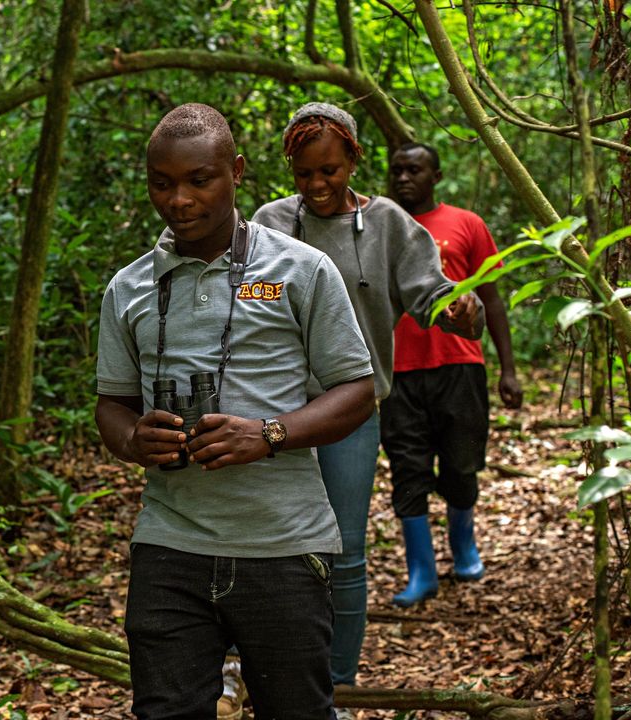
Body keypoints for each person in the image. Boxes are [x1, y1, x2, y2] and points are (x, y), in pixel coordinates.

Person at [96, 102, 375, 719]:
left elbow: (357, 390)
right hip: (169, 545)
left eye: (200, 179)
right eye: (162, 184)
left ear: (237, 172)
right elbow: (111, 405)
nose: (180, 200)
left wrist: (269, 434)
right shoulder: (129, 287)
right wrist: (133, 438)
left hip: (283, 545)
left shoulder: (300, 270)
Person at [248, 103, 484, 695]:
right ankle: (253, 672)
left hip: (350, 412)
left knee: (345, 550)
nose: (318, 185)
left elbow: (431, 293)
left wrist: (462, 308)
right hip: (269, 410)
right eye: (305, 174)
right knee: (262, 546)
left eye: (329, 170)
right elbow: (247, 295)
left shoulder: (387, 223)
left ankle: (338, 686)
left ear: (353, 159)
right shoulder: (270, 222)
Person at [381, 142, 523, 606]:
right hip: (397, 372)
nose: (404, 178)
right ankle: (421, 571)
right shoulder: (379, 226)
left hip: (459, 366)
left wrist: (508, 368)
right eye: (397, 170)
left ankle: (463, 544)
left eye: (414, 169)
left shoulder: (467, 224)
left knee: (461, 467)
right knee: (408, 471)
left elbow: (493, 299)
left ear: (436, 175)